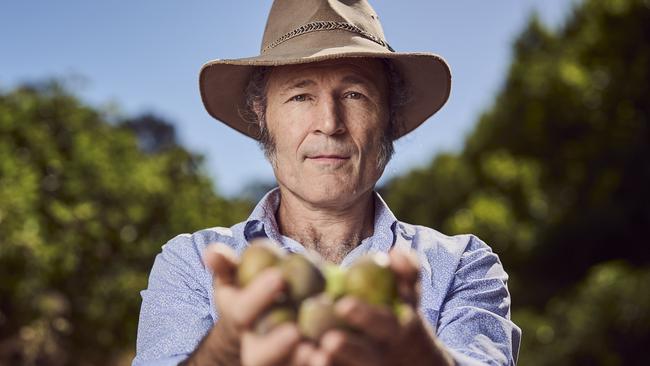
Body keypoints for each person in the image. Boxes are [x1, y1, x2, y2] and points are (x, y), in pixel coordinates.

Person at [133, 0, 521, 365]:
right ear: (261, 114)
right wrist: (223, 351)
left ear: (390, 117)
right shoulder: (193, 263)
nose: (330, 123)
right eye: (301, 96)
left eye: (355, 94)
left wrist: (419, 357)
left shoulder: (462, 265)